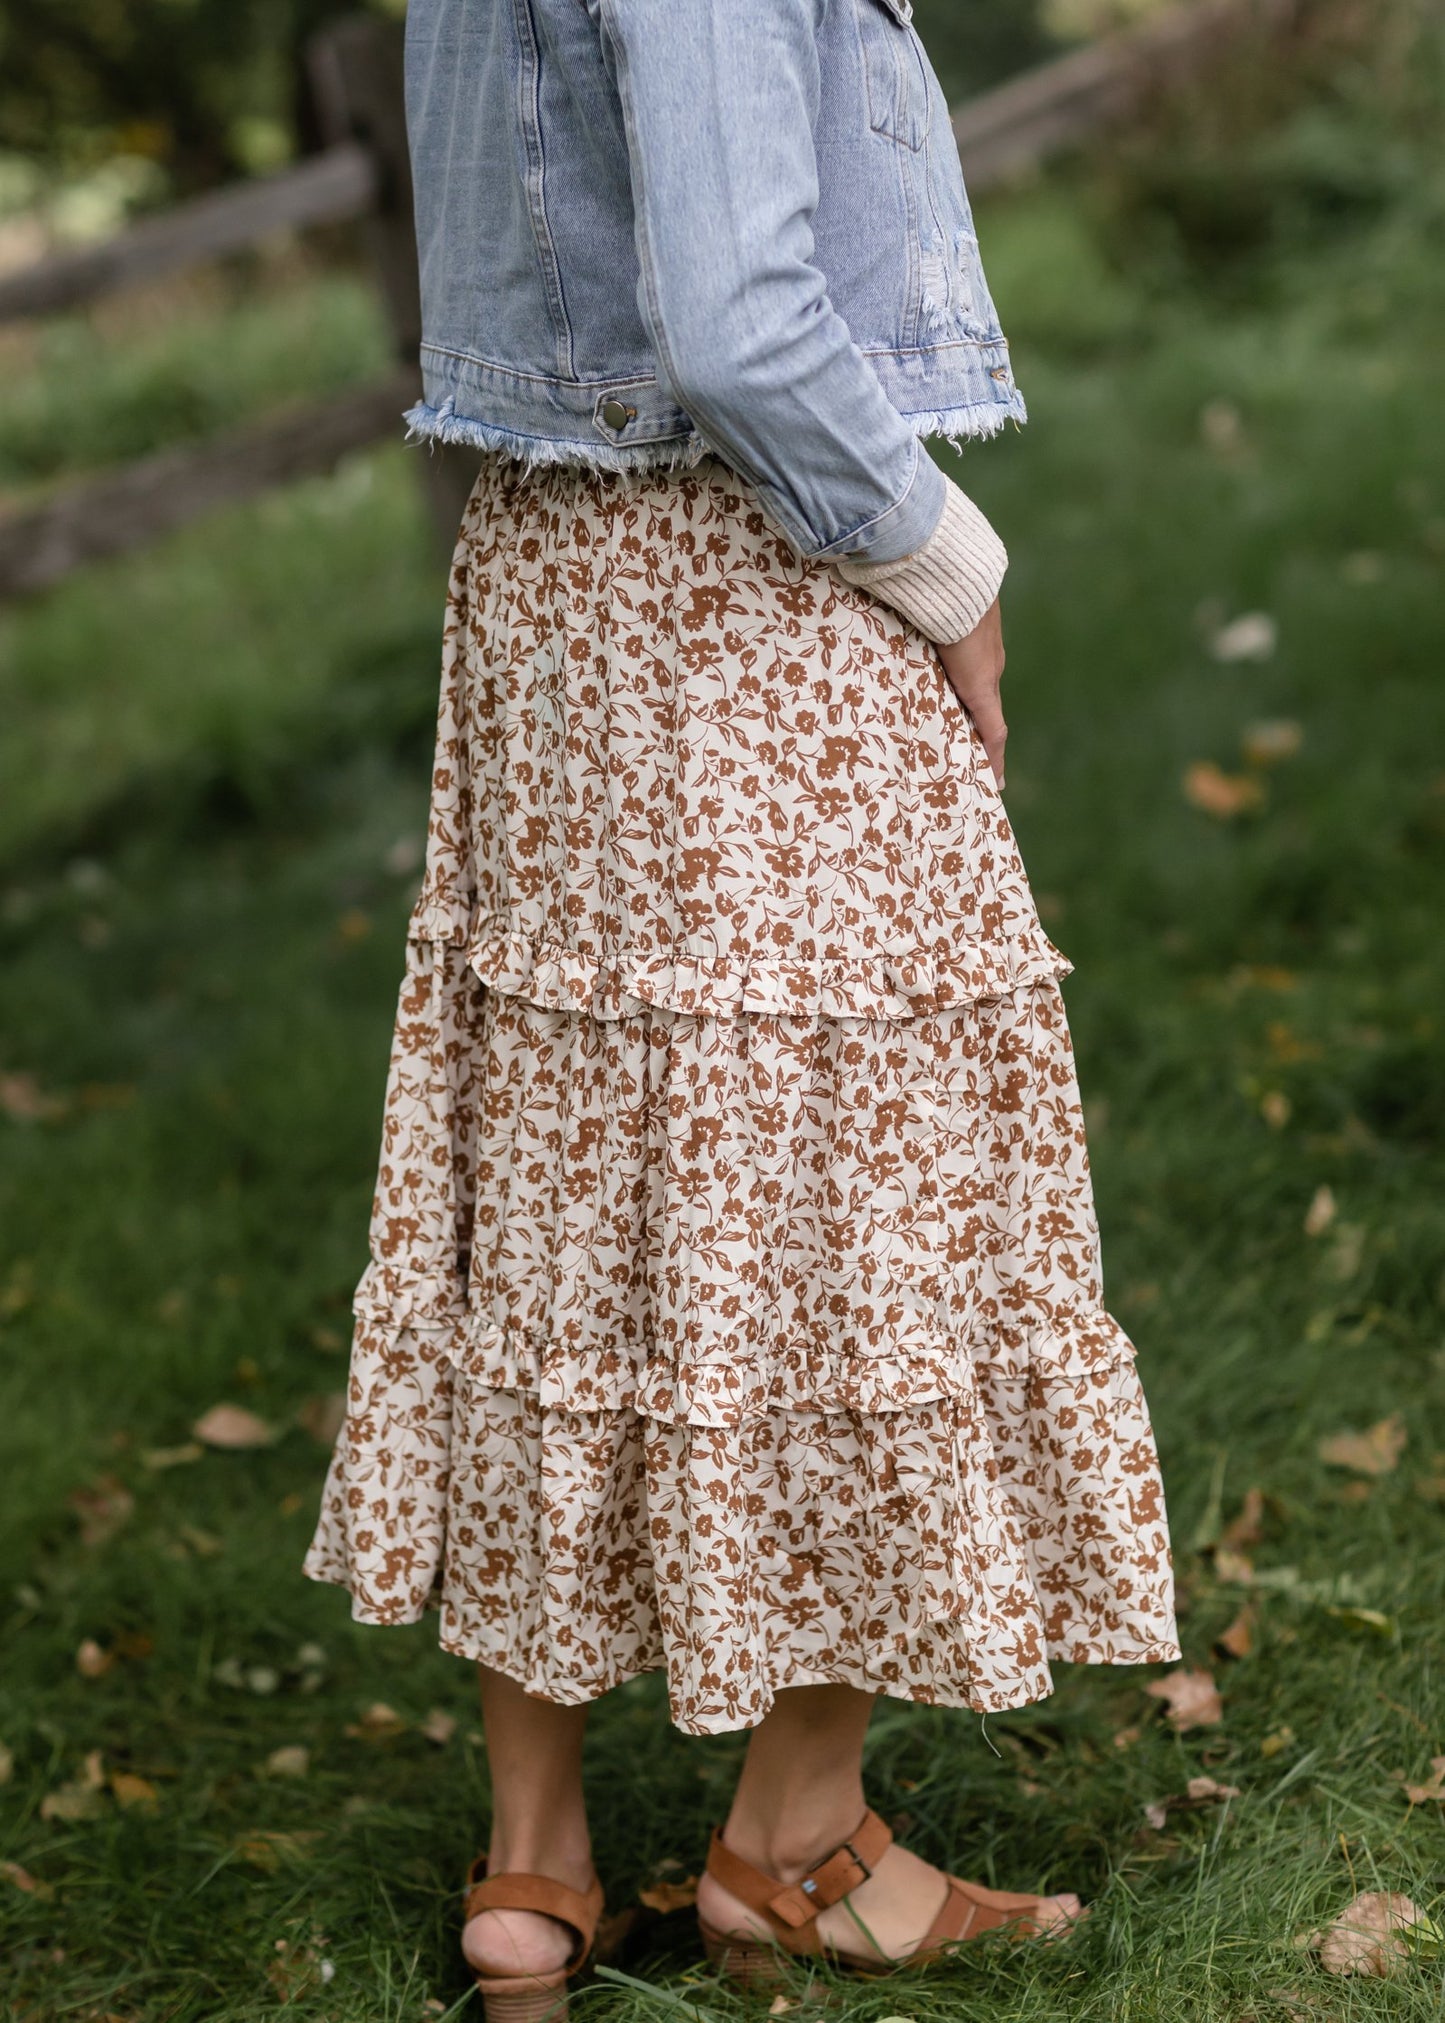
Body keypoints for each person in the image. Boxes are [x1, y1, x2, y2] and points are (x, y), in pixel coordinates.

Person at [305, 0, 1181, 2011]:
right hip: (746, 576)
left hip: (548, 578)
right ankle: (799, 1836)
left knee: (556, 1164)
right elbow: (739, 323)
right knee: (862, 1182)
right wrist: (947, 562)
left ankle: (533, 1865)